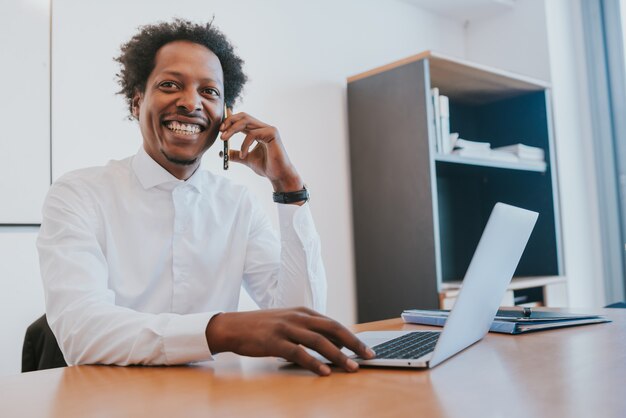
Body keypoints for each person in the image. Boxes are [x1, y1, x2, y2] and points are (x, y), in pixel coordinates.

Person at [37, 19, 374, 376]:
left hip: (211, 400)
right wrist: (222, 331)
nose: (190, 103)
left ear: (225, 117)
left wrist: (288, 187)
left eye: (209, 92)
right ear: (137, 103)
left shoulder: (237, 204)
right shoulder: (77, 195)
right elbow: (81, 333)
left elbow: (302, 320)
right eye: (170, 85)